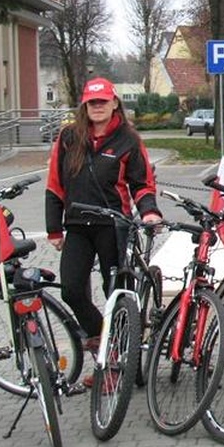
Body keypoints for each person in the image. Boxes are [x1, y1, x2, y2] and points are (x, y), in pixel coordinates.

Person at [45, 78, 162, 352]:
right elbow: (55, 184)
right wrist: (54, 229)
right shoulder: (69, 137)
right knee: (72, 290)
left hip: (113, 226)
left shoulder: (128, 139)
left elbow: (142, 184)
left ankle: (121, 355)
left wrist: (149, 212)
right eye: (92, 102)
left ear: (114, 103)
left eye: (103, 102)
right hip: (77, 225)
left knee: (116, 292)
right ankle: (105, 339)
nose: (97, 107)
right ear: (84, 106)